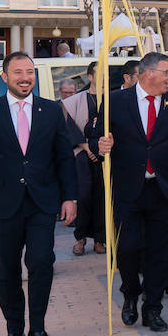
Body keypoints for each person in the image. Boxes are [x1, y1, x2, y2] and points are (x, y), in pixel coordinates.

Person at [0, 52, 77, 336]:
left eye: (30, 72)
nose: (25, 78)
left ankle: (38, 328)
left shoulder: (51, 110)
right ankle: (14, 330)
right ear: (5, 77)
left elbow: (64, 157)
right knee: (6, 270)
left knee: (40, 262)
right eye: (18, 72)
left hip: (42, 203)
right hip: (2, 204)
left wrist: (70, 197)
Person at [95, 52, 168, 332]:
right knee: (127, 248)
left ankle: (152, 308)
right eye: (167, 72)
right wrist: (100, 145)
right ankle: (130, 292)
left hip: (163, 190)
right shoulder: (117, 101)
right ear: (147, 73)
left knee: (159, 252)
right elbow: (94, 136)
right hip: (128, 189)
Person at [63, 62, 105, 257]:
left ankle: (100, 239)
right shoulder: (76, 101)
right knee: (83, 196)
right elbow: (68, 127)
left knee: (102, 196)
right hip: (82, 154)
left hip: (106, 155)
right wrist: (86, 147)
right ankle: (80, 238)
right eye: (99, 73)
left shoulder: (113, 99)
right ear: (90, 76)